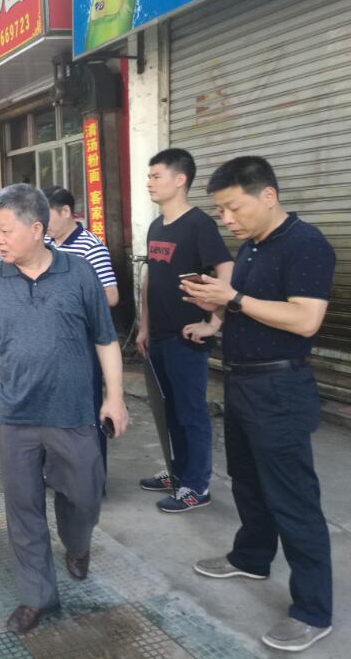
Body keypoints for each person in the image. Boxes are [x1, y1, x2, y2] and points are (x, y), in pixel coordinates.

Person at [182, 157, 335, 653]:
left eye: (233, 207)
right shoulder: (251, 246)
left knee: (293, 498)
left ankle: (313, 610)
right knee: (247, 481)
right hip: (242, 381)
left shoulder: (306, 244)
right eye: (220, 211)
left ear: (268, 196)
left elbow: (305, 319)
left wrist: (234, 299)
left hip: (280, 388)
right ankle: (251, 557)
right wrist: (214, 309)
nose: (227, 219)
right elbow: (248, 308)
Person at [0, 184, 129, 634]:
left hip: (73, 413)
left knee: (84, 495)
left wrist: (114, 396)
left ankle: (77, 543)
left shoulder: (79, 274)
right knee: (23, 508)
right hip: (15, 415)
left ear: (37, 229)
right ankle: (37, 596)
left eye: (5, 230)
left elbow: (106, 339)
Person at [136, 148, 233, 513]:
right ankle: (177, 472)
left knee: (191, 412)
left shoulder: (199, 224)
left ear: (180, 180)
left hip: (186, 337)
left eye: (156, 176)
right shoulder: (157, 226)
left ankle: (197, 486)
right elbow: (150, 278)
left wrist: (214, 322)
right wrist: (144, 326)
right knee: (169, 410)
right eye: (149, 176)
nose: (149, 182)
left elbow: (226, 269)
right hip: (159, 334)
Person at [43, 185, 119, 475]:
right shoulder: (47, 244)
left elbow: (111, 295)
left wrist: (67, 301)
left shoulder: (90, 247)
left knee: (87, 411)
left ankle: (93, 479)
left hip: (81, 343)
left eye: (47, 216)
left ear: (66, 212)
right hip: (52, 343)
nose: (43, 224)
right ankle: (62, 473)